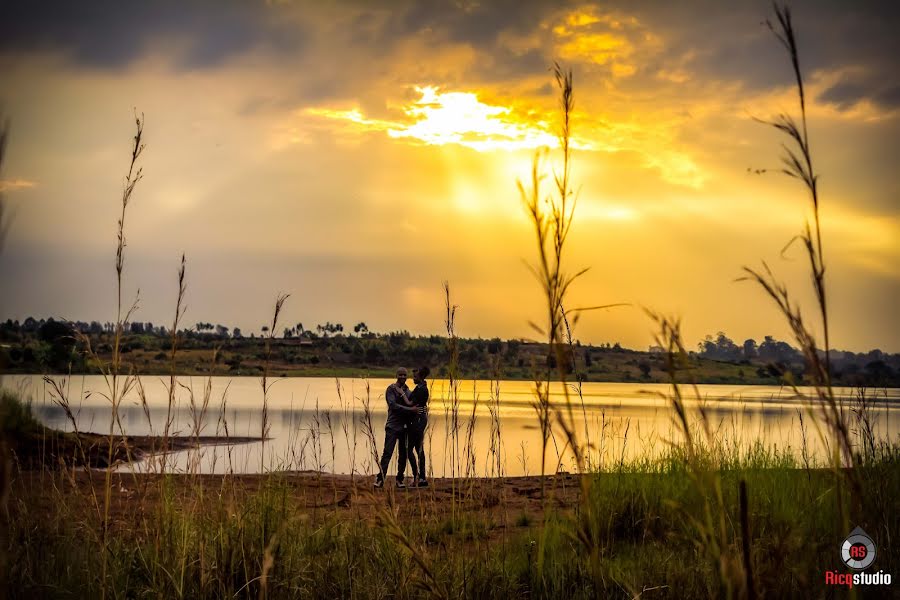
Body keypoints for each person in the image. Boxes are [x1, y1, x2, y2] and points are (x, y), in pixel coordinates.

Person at [374, 367, 421, 488]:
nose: (403, 377)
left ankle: (399, 479)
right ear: (396, 375)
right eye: (400, 375)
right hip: (392, 426)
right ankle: (380, 479)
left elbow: (413, 402)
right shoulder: (391, 389)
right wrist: (410, 409)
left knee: (403, 454)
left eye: (405, 375)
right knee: (387, 453)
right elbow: (393, 405)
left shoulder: (406, 390)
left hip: (404, 428)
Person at [402, 366, 430, 487]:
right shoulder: (420, 387)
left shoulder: (422, 389)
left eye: (415, 374)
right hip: (420, 419)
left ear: (421, 375)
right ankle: (422, 478)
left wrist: (401, 393)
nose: (413, 376)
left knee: (409, 449)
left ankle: (418, 477)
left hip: (418, 420)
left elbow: (410, 403)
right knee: (419, 449)